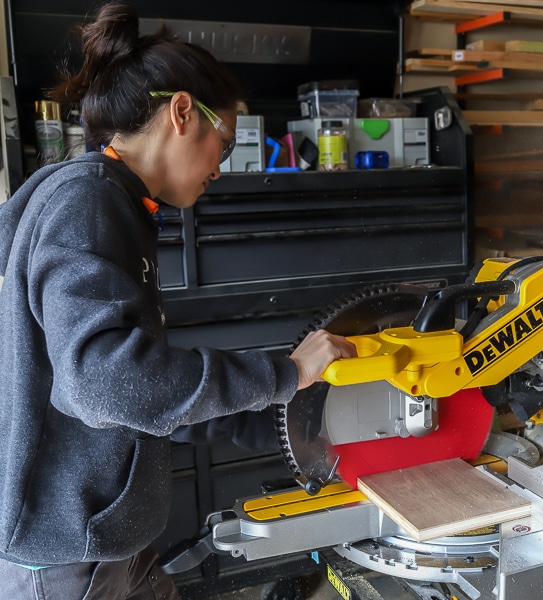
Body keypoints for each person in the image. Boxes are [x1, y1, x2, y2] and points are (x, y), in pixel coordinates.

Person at [0, 2, 357, 598]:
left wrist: (281, 422)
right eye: (226, 142)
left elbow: (136, 398)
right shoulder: (88, 205)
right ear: (183, 112)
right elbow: (107, 384)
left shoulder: (112, 202)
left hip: (109, 539)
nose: (221, 167)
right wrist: (286, 374)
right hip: (71, 559)